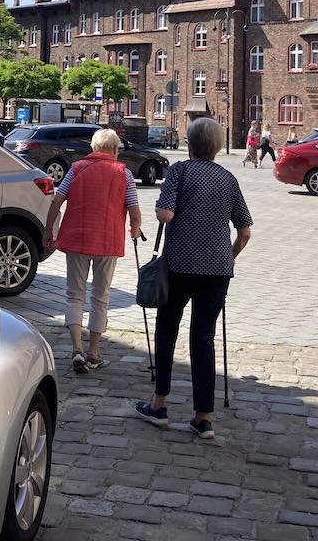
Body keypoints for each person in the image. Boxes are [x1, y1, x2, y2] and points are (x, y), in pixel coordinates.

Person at [135, 117, 252, 440]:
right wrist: (229, 256)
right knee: (203, 336)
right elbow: (244, 232)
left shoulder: (179, 171)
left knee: (167, 328)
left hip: (180, 264)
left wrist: (161, 206)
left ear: (190, 143)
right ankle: (203, 417)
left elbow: (166, 214)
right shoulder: (228, 178)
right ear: (216, 145)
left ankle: (159, 404)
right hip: (218, 269)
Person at [43, 128, 142, 374]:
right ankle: (94, 352)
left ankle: (76, 348)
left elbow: (57, 201)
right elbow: (134, 209)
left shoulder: (76, 169)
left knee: (74, 295)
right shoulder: (124, 173)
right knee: (100, 296)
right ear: (114, 150)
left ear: (94, 149)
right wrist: (135, 229)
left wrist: (49, 230)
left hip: (76, 239)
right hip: (107, 242)